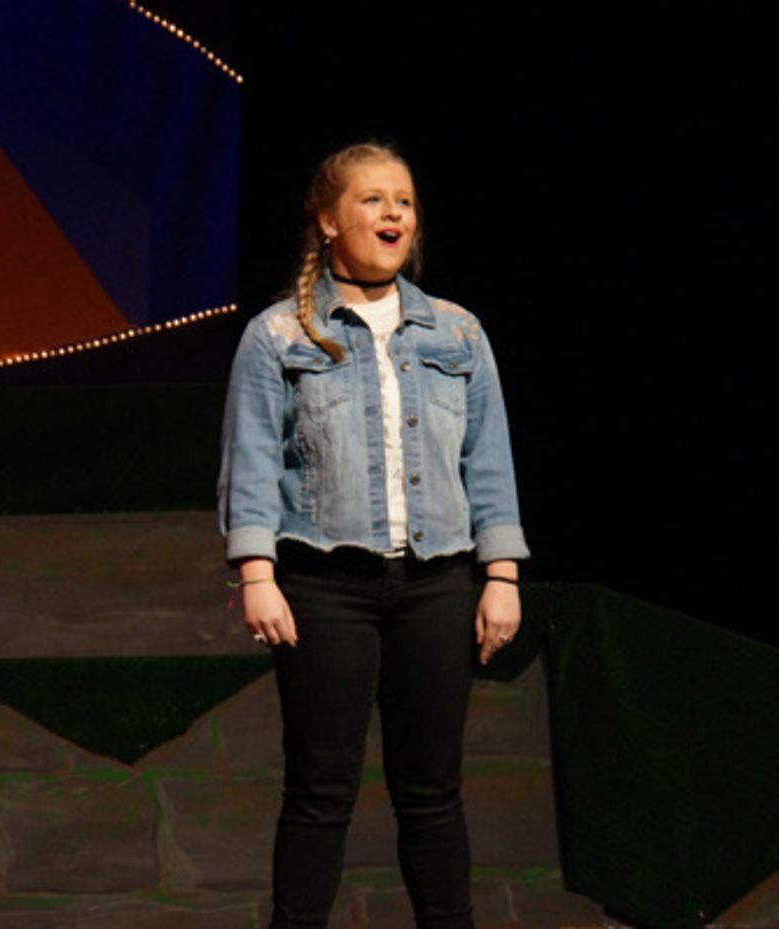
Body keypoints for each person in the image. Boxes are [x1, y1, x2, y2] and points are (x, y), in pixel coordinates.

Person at [218, 142, 529, 929]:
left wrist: (501, 574)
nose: (393, 213)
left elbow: (488, 458)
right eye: (372, 199)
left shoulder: (457, 332)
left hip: (437, 583)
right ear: (328, 220)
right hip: (325, 586)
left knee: (433, 791)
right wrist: (257, 572)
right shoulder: (278, 334)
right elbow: (250, 460)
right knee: (321, 790)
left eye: (405, 201)